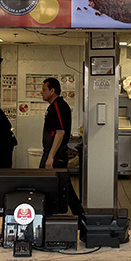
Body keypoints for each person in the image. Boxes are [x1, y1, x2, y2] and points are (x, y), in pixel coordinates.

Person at [40, 77, 82, 215]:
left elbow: (60, 132)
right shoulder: (53, 106)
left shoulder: (58, 106)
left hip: (56, 153)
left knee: (57, 185)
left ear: (52, 91)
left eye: (44, 89)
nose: (41, 92)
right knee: (63, 186)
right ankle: (76, 215)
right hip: (52, 152)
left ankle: (78, 216)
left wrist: (50, 157)